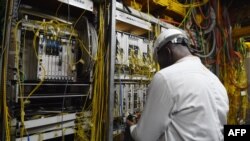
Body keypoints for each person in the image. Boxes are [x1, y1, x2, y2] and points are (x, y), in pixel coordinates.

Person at [127, 28, 229, 141]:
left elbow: (144, 137)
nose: (160, 67)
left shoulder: (165, 77)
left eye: (159, 62)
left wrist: (133, 127)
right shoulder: (215, 80)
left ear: (167, 52)